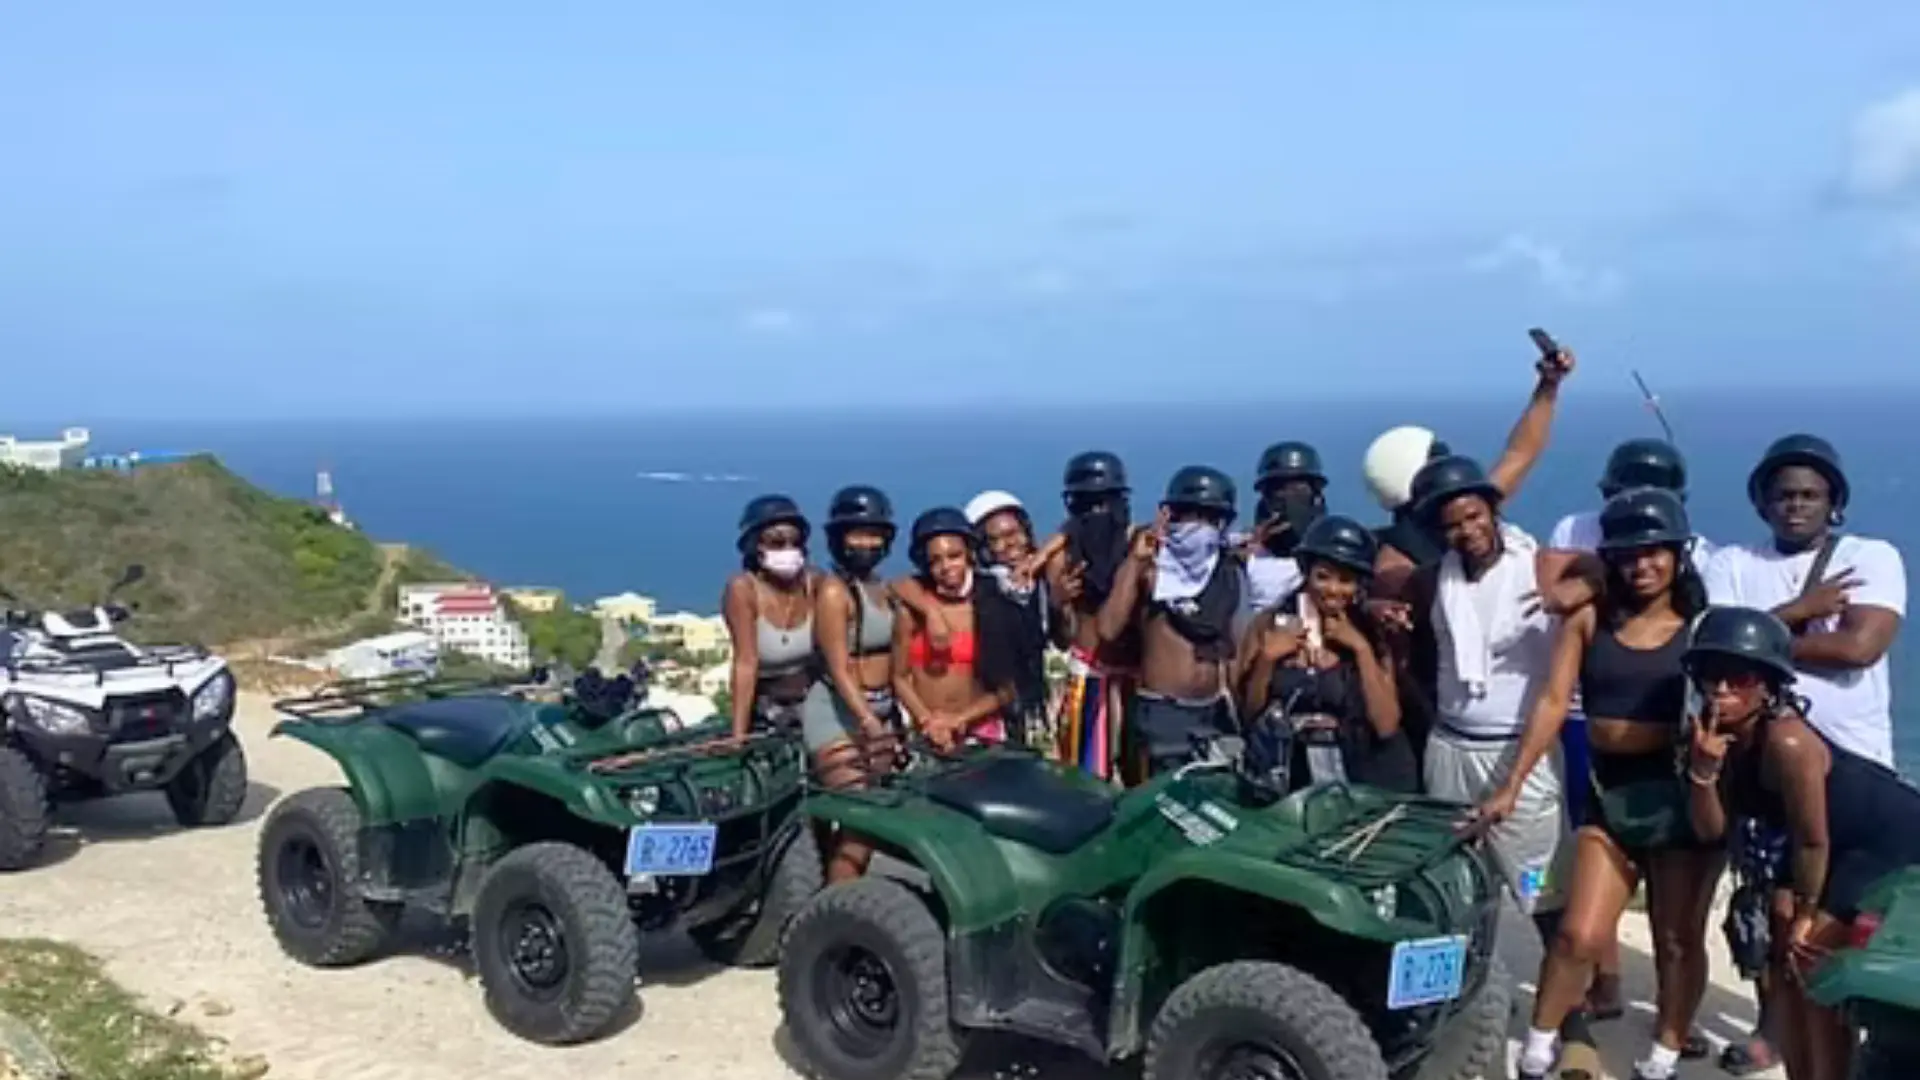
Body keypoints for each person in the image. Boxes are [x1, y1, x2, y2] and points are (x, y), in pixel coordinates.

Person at [1485, 489, 1723, 1080]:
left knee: (1677, 939)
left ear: (1678, 554)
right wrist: (1512, 783)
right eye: (1627, 554)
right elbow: (1553, 700)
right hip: (1609, 791)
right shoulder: (1590, 617)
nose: (1642, 565)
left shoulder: (1701, 628)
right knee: (1577, 935)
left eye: (1655, 552)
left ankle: (1663, 1056)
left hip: (1679, 795)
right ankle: (1538, 1050)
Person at [1699, 433, 1907, 1076]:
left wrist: (1761, 635)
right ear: (1762, 502)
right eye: (1783, 495)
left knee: (1818, 953)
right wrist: (1803, 611)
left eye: (1811, 495)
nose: (1796, 505)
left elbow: (1859, 647)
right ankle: (1784, 1042)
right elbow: (1714, 638)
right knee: (1776, 934)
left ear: (1833, 502)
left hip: (1852, 786)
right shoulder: (1733, 561)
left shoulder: (1870, 556)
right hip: (1767, 785)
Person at [1683, 605, 1920, 1080]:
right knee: (1784, 971)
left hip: (1880, 840)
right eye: (1711, 675)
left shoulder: (1787, 742)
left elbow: (1813, 841)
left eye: (1740, 677)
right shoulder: (1717, 736)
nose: (1722, 689)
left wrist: (1807, 914)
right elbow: (1712, 832)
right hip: (1821, 847)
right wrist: (1703, 773)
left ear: (1769, 685)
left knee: (1813, 964)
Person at [1535, 435, 1703, 1021]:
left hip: (1672, 753)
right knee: (1595, 883)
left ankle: (1673, 1022)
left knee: (1674, 915)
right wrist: (1602, 575)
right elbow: (1554, 595)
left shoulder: (1691, 552)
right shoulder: (1578, 529)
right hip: (1593, 725)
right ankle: (1605, 985)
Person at [1403, 454, 1573, 946]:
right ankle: (1472, 979)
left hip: (1518, 750)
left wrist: (1577, 591)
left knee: (1539, 888)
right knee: (1458, 880)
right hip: (1452, 748)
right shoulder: (1435, 580)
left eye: (1474, 516)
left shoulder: (1538, 566)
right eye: (1452, 525)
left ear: (1493, 511)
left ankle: (1572, 988)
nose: (1467, 531)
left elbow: (1604, 573)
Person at [1364, 339, 1575, 597]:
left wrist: (1549, 385)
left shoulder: (1393, 554)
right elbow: (1520, 454)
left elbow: (1520, 453)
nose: (1467, 529)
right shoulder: (1399, 568)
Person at [1237, 515, 1417, 792]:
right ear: (1306, 572)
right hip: (1293, 779)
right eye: (1323, 576)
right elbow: (1249, 715)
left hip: (1366, 776)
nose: (1333, 590)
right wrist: (1267, 660)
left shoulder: (1372, 630)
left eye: (1346, 580)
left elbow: (1386, 725)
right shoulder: (1268, 625)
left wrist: (1360, 649)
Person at [1097, 466, 1245, 781]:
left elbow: (1233, 644)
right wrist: (1135, 562)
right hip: (1162, 713)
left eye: (1209, 519)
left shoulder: (1226, 573)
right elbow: (1108, 628)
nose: (1199, 528)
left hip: (1213, 712)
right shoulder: (1151, 570)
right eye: (1191, 516)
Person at [802, 485, 904, 882]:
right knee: (861, 819)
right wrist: (867, 720)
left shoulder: (882, 587)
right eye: (857, 534)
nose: (866, 543)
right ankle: (838, 909)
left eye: (874, 535)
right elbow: (839, 666)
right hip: (838, 714)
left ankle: (833, 894)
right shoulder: (834, 591)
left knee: (862, 828)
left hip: (879, 710)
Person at [1043, 451, 1142, 781]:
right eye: (1088, 504)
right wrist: (1058, 602)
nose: (1098, 512)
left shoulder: (1138, 545)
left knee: (1140, 775)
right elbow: (1062, 637)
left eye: (1104, 502)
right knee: (1084, 778)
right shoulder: (1063, 558)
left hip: (1136, 676)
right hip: (1088, 674)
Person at [892, 507, 1021, 749]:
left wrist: (959, 719)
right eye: (935, 560)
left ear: (969, 554)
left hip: (981, 729)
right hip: (925, 731)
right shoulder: (911, 611)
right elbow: (899, 677)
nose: (946, 566)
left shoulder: (991, 607)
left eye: (954, 556)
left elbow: (1008, 688)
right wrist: (926, 720)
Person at [722, 495, 819, 739]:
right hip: (767, 710)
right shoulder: (743, 589)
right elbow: (746, 662)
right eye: (776, 543)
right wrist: (738, 734)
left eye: (795, 542)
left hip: (816, 702)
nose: (787, 550)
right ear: (755, 546)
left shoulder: (815, 584)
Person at [1239, 441, 1328, 623]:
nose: (1284, 497)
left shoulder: (1331, 561)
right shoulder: (1243, 562)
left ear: (1316, 496)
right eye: (1276, 489)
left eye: (1297, 489)